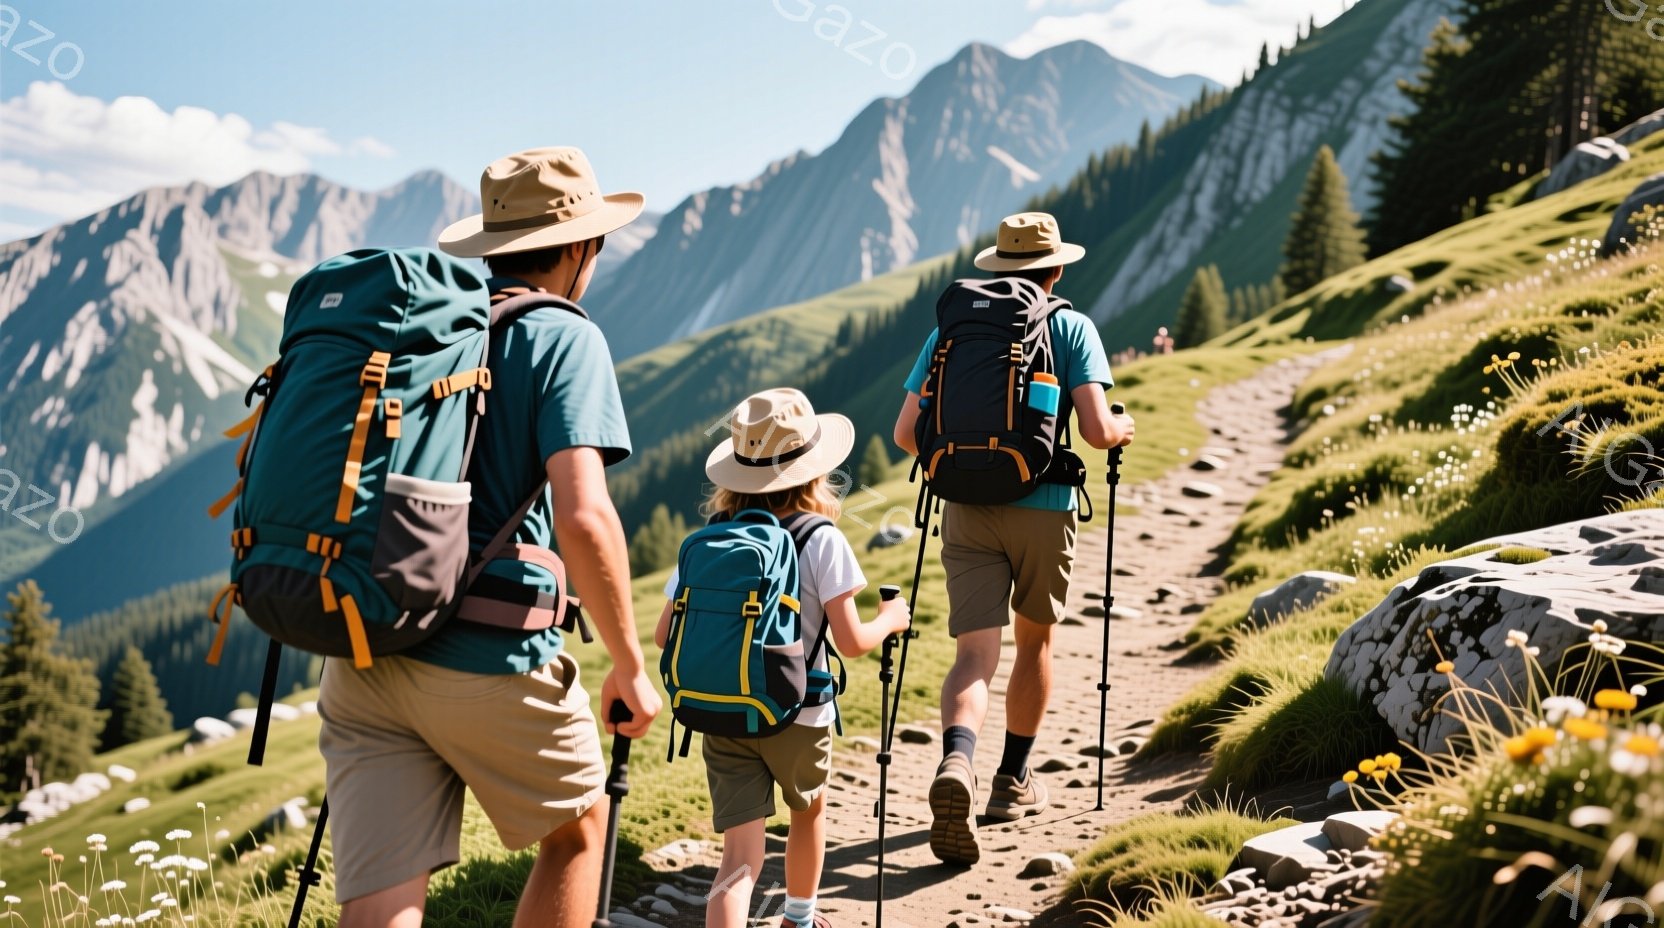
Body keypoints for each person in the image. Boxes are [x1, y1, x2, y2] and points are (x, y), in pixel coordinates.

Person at [316, 147, 661, 928]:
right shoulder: (562, 336)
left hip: (365, 648)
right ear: (581, 247)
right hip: (486, 654)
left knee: (381, 899)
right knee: (579, 832)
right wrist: (630, 666)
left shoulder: (427, 330)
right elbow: (584, 515)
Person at [891, 212, 1134, 866]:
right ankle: (1012, 780)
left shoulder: (952, 328)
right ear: (1056, 270)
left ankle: (957, 762)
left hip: (965, 508)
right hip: (1044, 506)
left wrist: (966, 462)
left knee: (974, 655)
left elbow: (906, 434)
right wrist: (1123, 426)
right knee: (1035, 643)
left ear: (999, 266)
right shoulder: (1071, 327)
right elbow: (1096, 431)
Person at [655, 388, 912, 928]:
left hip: (722, 711)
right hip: (800, 711)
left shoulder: (711, 538)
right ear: (814, 472)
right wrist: (892, 619)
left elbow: (663, 636)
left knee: (738, 858)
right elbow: (851, 642)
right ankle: (798, 918)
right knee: (808, 812)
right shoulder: (822, 538)